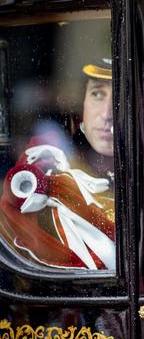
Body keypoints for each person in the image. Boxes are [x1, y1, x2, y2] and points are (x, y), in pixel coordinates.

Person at [0, 60, 115, 270]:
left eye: (121, 97)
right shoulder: (46, 181)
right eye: (97, 94)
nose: (107, 114)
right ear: (81, 108)